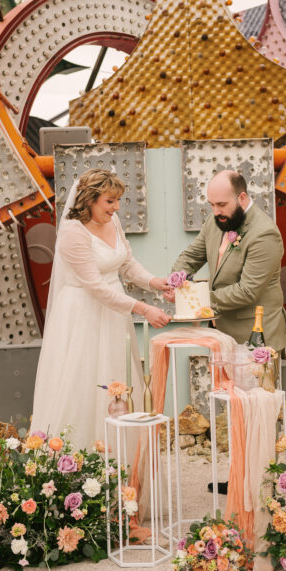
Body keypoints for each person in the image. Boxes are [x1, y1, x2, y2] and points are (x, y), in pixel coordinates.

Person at [31, 169, 171, 449]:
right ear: (90, 200)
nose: (116, 207)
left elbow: (127, 264)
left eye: (117, 201)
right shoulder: (73, 233)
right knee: (83, 380)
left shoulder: (113, 221)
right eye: (110, 201)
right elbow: (94, 286)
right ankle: (79, 456)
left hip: (113, 312)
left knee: (116, 376)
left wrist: (157, 282)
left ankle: (123, 458)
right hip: (82, 313)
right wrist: (144, 309)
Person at [166, 169, 286, 352]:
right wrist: (176, 283)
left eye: (221, 204)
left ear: (241, 198)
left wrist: (194, 299)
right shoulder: (215, 220)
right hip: (220, 335)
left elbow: (247, 291)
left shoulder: (265, 234)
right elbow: (191, 256)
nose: (216, 211)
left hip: (256, 338)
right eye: (211, 205)